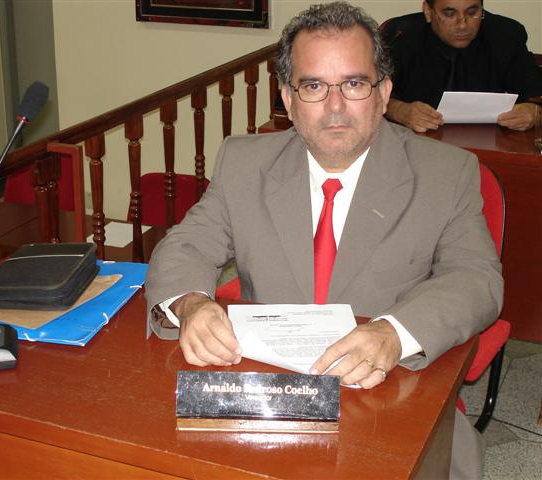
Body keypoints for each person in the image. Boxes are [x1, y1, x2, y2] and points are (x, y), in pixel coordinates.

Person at [146, 2, 503, 478]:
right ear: (288, 99)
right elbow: (187, 244)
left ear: (384, 93)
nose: (335, 107)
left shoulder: (446, 173)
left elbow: (476, 278)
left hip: (388, 390)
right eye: (314, 86)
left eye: (353, 84)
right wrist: (192, 304)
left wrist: (393, 334)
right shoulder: (244, 162)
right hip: (265, 394)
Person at [383, 0, 542, 133]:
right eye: (449, 14)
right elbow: (373, 92)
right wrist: (398, 110)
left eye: (472, 13)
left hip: (489, 141)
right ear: (428, 11)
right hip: (417, 141)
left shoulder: (505, 35)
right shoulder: (402, 35)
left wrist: (534, 112)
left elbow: (535, 94)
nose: (462, 25)